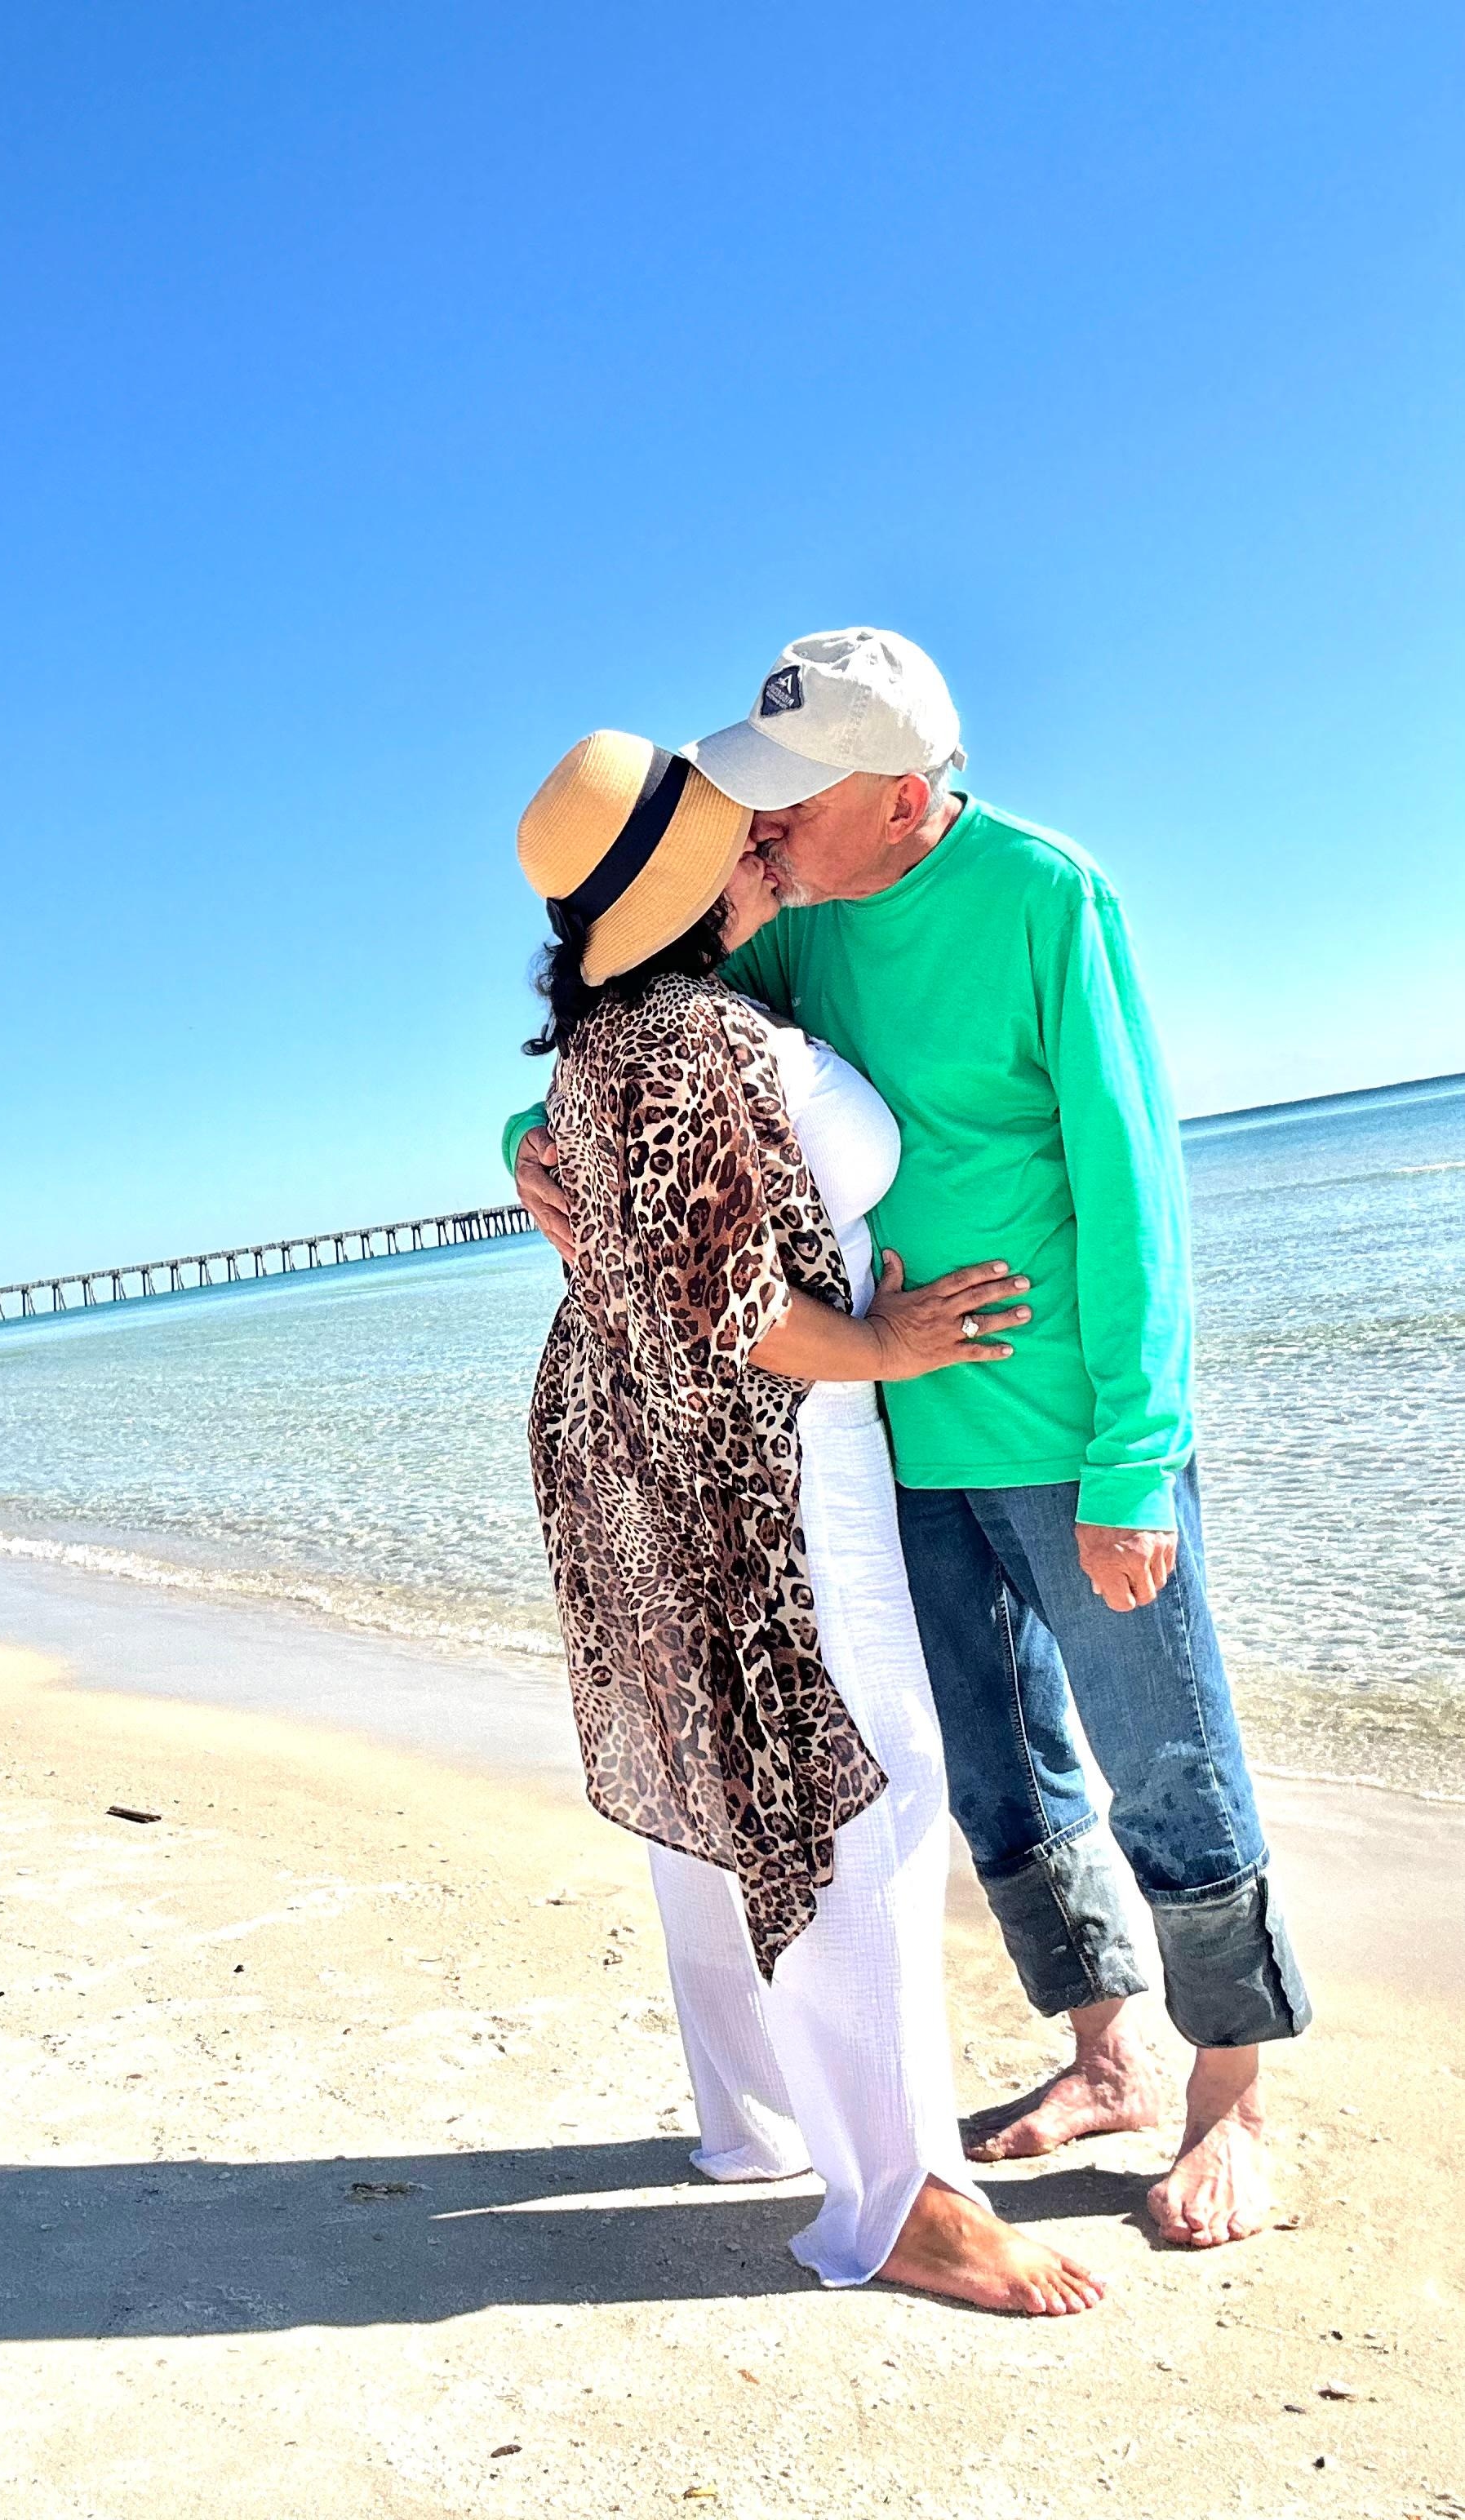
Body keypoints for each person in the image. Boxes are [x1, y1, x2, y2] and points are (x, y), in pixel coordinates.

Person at [508, 633, 1311, 2251]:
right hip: (892, 1441)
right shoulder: (793, 914)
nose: (761, 829)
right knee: (1000, 1767)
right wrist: (525, 1139)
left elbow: (1135, 1181)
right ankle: (1107, 2051)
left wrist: (1136, 1453)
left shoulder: (1045, 894)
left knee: (1166, 1752)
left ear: (895, 792)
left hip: (1065, 1419)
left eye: (788, 803)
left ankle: (1234, 2093)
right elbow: (639, 1057)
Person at [514, 725, 1103, 2316]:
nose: (763, 834)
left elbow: (664, 1251)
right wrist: (889, 1344)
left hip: (645, 1458)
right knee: (864, 1802)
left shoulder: (615, 1037)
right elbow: (738, 1309)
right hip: (760, 1472)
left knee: (722, 1805)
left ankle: (757, 2121)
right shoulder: (694, 1040)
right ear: (682, 883)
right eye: (733, 829)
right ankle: (905, 2199)